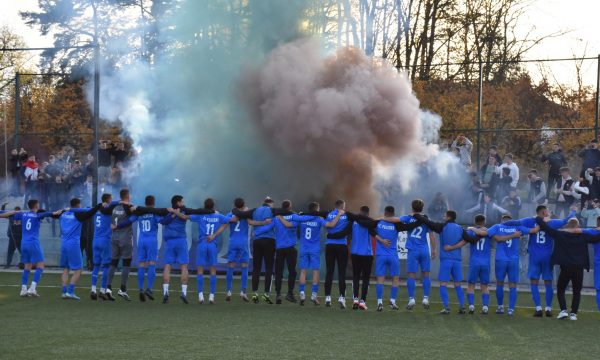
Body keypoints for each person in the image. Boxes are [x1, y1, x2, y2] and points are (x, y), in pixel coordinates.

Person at [136, 195, 215, 304]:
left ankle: (165, 293)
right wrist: (210, 211)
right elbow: (196, 211)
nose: (184, 203)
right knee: (184, 267)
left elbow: (164, 221)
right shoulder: (183, 211)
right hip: (181, 241)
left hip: (169, 242)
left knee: (167, 266)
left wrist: (172, 214)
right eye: (182, 201)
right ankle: (183, 293)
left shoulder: (166, 211)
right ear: (178, 203)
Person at [504, 205, 576, 317]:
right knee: (548, 283)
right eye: (546, 211)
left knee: (534, 282)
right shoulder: (552, 223)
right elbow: (565, 220)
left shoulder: (529, 221)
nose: (548, 213)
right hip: (547, 257)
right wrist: (573, 211)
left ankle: (538, 308)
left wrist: (501, 225)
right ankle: (548, 308)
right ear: (543, 212)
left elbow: (514, 222)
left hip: (534, 257)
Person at [413, 210, 479, 314]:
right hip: (457, 261)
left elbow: (429, 223)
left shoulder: (442, 226)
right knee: (458, 284)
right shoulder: (460, 229)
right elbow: (472, 240)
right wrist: (481, 232)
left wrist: (416, 215)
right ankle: (462, 307)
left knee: (443, 284)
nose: (443, 216)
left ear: (448, 217)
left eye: (445, 215)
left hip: (446, 260)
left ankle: (447, 308)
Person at [171, 198, 235, 304]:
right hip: (212, 244)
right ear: (213, 206)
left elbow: (185, 217)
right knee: (213, 270)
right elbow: (229, 222)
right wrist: (214, 235)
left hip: (202, 244)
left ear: (204, 206)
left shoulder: (200, 215)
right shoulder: (218, 216)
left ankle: (200, 296)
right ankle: (211, 297)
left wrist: (175, 212)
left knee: (200, 271)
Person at [535, 217, 600, 320]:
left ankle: (563, 310)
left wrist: (539, 219)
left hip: (566, 267)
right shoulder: (583, 236)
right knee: (577, 291)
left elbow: (546, 228)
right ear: (578, 226)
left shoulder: (561, 234)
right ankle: (573, 314)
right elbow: (597, 238)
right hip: (579, 267)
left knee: (561, 289)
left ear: (567, 226)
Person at [470, 215, 536, 316]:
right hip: (513, 260)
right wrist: (541, 220)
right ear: (511, 220)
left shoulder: (497, 227)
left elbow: (483, 233)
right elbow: (533, 230)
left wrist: (471, 228)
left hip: (500, 259)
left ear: (502, 221)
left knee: (499, 283)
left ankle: (500, 307)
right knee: (513, 285)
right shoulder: (517, 227)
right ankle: (510, 310)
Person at [275, 202, 337, 305]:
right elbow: (330, 225)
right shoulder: (319, 219)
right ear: (317, 209)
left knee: (303, 271)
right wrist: (338, 215)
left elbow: (288, 224)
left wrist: (280, 217)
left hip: (304, 248)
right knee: (315, 271)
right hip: (314, 249)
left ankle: (302, 293)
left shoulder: (302, 219)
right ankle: (313, 295)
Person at [0, 199, 61, 297]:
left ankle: (23, 289)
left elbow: (2, 214)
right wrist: (56, 212)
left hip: (24, 243)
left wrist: (14, 211)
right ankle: (32, 288)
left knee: (27, 267)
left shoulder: (22, 214)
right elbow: (47, 214)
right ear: (36, 206)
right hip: (33, 243)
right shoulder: (37, 215)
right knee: (40, 266)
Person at [114, 195, 169, 302]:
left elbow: (129, 221)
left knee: (142, 265)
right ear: (153, 203)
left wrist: (117, 226)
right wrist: (172, 215)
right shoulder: (154, 213)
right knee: (152, 264)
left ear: (145, 203)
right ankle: (149, 289)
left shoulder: (139, 213)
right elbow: (163, 221)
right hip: (152, 240)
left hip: (141, 240)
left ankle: (140, 289)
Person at [231, 197, 277, 304]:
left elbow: (247, 219)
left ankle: (255, 294)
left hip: (257, 242)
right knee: (269, 268)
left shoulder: (255, 211)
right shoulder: (272, 212)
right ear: (270, 205)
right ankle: (266, 294)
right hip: (269, 241)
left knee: (256, 267)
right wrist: (258, 232)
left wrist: (256, 233)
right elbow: (271, 225)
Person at [58, 198, 100, 300]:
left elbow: (54, 214)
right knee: (79, 269)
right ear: (78, 205)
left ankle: (64, 292)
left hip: (63, 243)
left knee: (66, 268)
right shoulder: (78, 215)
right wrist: (98, 206)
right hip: (73, 244)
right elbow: (90, 213)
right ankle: (70, 291)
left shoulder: (63, 214)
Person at [400, 199, 437, 310]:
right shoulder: (426, 219)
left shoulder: (408, 218)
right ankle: (425, 298)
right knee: (426, 274)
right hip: (424, 249)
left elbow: (396, 220)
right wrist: (434, 249)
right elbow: (432, 236)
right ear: (422, 208)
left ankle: (411, 299)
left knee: (411, 275)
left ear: (412, 207)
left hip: (413, 250)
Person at [107, 189, 135, 301]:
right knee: (126, 263)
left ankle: (108, 288)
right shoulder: (129, 207)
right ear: (127, 196)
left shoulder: (114, 206)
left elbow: (106, 206)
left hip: (114, 238)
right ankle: (122, 289)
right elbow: (131, 219)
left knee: (113, 262)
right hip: (125, 238)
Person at [90, 194, 120, 301]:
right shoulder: (107, 210)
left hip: (95, 240)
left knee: (96, 266)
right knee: (106, 266)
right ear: (108, 200)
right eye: (110, 199)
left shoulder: (96, 210)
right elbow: (115, 204)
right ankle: (102, 291)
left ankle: (93, 289)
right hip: (105, 241)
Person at [225, 198, 252, 302]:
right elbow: (250, 222)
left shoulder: (229, 214)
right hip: (243, 243)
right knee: (244, 266)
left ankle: (228, 291)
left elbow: (228, 221)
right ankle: (243, 291)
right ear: (244, 204)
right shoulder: (246, 214)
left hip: (233, 242)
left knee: (231, 266)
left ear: (234, 205)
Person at [349, 205, 374, 310]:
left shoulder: (354, 222)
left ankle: (355, 299)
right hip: (367, 254)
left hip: (355, 253)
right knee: (365, 278)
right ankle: (362, 301)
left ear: (360, 211)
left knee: (355, 277)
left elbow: (349, 236)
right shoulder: (369, 223)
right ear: (368, 213)